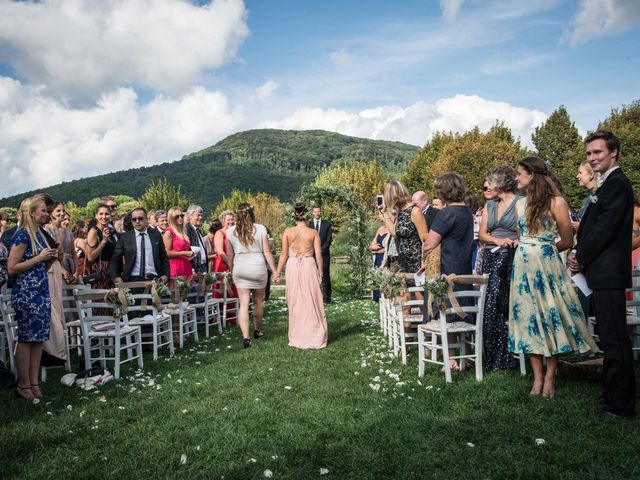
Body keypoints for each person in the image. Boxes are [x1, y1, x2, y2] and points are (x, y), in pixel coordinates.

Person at [511, 157, 597, 399]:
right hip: (522, 267)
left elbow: (568, 240)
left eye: (520, 173)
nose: (517, 178)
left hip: (547, 266)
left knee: (549, 317)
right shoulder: (520, 204)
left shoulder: (557, 202)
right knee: (528, 318)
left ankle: (550, 376)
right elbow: (522, 235)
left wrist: (544, 251)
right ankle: (537, 377)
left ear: (532, 175)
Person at [568, 131, 636, 417]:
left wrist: (579, 258)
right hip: (601, 273)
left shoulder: (617, 184)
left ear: (614, 152)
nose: (592, 158)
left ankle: (620, 405)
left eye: (598, 152)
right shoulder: (606, 184)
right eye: (589, 154)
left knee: (614, 338)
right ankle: (611, 394)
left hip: (608, 272)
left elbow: (604, 229)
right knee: (608, 337)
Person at [7, 195, 59, 400]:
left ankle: (34, 381)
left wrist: (48, 260)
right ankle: (23, 384)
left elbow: (38, 265)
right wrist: (39, 257)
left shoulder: (40, 234)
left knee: (39, 340)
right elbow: (12, 267)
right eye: (44, 211)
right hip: (26, 293)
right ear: (32, 213)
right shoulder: (22, 235)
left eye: (47, 211)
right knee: (27, 339)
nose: (47, 214)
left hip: (40, 291)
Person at [478, 167, 519, 371]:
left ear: (500, 184)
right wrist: (497, 240)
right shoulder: (490, 205)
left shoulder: (520, 203)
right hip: (491, 255)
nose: (486, 186)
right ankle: (493, 357)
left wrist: (513, 242)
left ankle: (511, 356)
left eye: (489, 183)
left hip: (512, 257)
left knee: (506, 304)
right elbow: (482, 234)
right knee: (490, 305)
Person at [273, 202, 328, 349]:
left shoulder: (287, 232)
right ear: (307, 216)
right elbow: (318, 254)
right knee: (312, 299)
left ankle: (298, 335)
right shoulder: (313, 233)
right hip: (309, 265)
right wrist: (320, 272)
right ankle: (314, 334)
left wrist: (277, 272)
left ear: (294, 216)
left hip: (293, 266)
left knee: (295, 300)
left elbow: (284, 254)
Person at [226, 203, 277, 348]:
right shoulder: (260, 228)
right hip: (257, 267)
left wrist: (231, 271)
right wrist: (274, 271)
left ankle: (246, 338)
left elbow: (230, 255)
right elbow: (267, 252)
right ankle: (257, 330)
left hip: (240, 267)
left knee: (243, 303)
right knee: (258, 302)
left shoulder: (230, 231)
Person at [381, 181, 428, 279]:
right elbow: (394, 233)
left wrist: (425, 262)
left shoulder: (415, 211)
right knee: (404, 293)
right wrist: (384, 212)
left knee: (417, 293)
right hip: (403, 261)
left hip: (416, 261)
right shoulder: (400, 211)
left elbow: (425, 239)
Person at [110, 207, 170, 284]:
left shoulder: (155, 235)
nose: (137, 221)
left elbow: (163, 256)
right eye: (134, 219)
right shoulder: (125, 237)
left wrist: (166, 275)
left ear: (146, 220)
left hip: (154, 278)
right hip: (132, 279)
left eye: (140, 218)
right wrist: (116, 277)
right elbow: (115, 258)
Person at [85, 204, 117, 289]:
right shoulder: (94, 231)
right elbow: (90, 257)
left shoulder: (109, 231)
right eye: (101, 214)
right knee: (101, 300)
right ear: (96, 215)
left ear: (110, 215)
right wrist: (104, 241)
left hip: (111, 270)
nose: (104, 216)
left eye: (106, 214)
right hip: (100, 270)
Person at [309, 206, 332, 304]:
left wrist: (320, 250)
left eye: (318, 211)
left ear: (321, 212)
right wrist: (313, 251)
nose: (317, 213)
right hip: (311, 255)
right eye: (315, 212)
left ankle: (327, 298)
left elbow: (329, 239)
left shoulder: (327, 224)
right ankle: (314, 297)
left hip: (324, 255)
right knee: (312, 276)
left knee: (325, 276)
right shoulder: (308, 224)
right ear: (312, 213)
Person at [163, 207, 195, 279]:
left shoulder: (183, 231)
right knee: (176, 289)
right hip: (175, 267)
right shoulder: (169, 232)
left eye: (181, 216)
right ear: (171, 218)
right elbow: (166, 253)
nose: (180, 218)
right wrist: (184, 253)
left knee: (186, 289)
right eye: (177, 217)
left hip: (186, 266)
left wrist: (192, 253)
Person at [570, 160, 598, 232]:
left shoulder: (602, 196)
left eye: (580, 173)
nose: (577, 176)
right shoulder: (587, 199)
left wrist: (583, 227)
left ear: (591, 174)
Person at [369, 211, 390, 302]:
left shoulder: (391, 229)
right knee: (377, 276)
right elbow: (371, 246)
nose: (380, 216)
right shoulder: (380, 228)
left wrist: (378, 249)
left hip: (385, 258)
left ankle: (384, 298)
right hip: (377, 257)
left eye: (381, 214)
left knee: (385, 277)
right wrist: (376, 249)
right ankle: (377, 298)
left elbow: (388, 248)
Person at [185, 205, 208, 274]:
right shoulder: (187, 229)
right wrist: (191, 268)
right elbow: (187, 248)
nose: (200, 218)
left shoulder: (197, 230)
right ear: (190, 216)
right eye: (198, 215)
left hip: (202, 266)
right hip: (195, 268)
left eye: (201, 215)